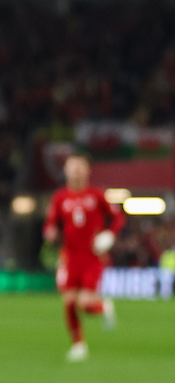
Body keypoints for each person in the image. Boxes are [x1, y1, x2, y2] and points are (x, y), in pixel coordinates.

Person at [42, 154, 124, 361]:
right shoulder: (60, 198)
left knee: (84, 303)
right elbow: (51, 222)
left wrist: (110, 234)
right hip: (70, 257)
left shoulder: (97, 195)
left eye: (80, 167)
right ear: (66, 171)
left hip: (92, 257)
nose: (76, 171)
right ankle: (78, 344)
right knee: (69, 301)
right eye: (72, 167)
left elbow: (117, 217)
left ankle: (103, 307)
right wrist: (50, 230)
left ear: (88, 171)